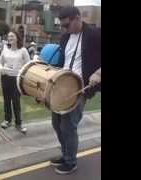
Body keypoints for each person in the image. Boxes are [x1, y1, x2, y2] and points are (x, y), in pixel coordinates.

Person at [48, 6, 101, 175]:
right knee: (56, 123)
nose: (64, 29)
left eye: (67, 25)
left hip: (80, 88)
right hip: (62, 86)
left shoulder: (94, 34)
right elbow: (62, 62)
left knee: (69, 126)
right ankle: (66, 155)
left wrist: (98, 73)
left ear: (77, 18)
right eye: (62, 26)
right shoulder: (65, 38)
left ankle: (70, 162)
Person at [0, 30, 31, 134]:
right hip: (5, 77)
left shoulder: (23, 50)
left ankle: (18, 124)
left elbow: (28, 65)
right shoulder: (5, 49)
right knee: (6, 100)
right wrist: (1, 68)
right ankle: (7, 120)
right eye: (9, 37)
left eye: (12, 36)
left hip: (16, 79)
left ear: (17, 38)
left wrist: (23, 76)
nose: (10, 38)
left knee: (16, 101)